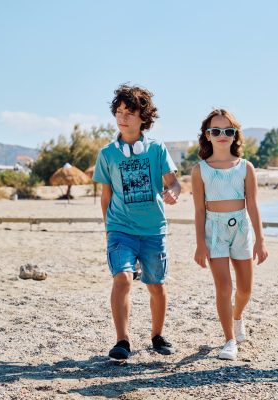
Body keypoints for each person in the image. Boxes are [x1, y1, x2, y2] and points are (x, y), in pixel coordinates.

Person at [93, 84, 181, 360]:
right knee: (122, 279)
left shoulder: (157, 149)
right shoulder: (107, 154)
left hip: (153, 230)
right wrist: (108, 229)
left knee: (157, 285)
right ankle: (122, 340)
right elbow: (105, 196)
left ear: (144, 118)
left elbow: (175, 183)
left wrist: (174, 193)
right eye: (119, 111)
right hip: (121, 229)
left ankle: (157, 335)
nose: (123, 117)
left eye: (129, 112)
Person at [191, 109, 268, 361]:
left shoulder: (246, 167)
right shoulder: (200, 170)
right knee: (224, 287)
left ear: (235, 135)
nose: (222, 135)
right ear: (208, 135)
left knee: (245, 289)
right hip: (214, 231)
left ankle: (237, 317)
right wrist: (200, 244)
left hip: (241, 229)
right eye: (216, 131)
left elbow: (253, 204)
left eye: (228, 131)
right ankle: (229, 340)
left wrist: (260, 240)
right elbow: (199, 210)